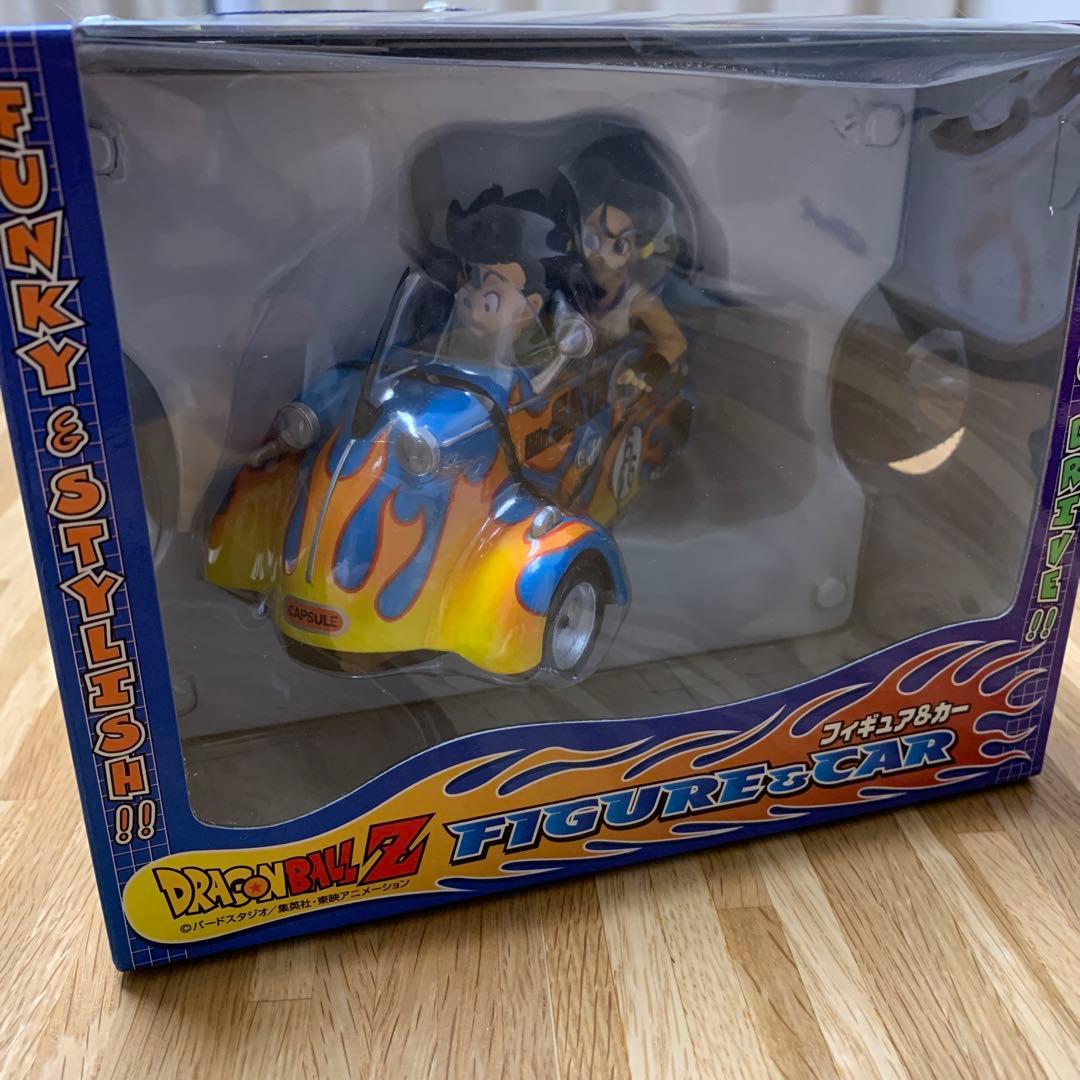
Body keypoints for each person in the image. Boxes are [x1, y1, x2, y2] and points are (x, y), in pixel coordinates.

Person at [554, 136, 688, 393]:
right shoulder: (572, 288)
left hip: (618, 384)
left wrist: (647, 371)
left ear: (637, 251)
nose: (600, 253)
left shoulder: (637, 300)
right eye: (592, 239)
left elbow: (674, 342)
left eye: (618, 245)